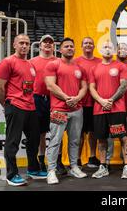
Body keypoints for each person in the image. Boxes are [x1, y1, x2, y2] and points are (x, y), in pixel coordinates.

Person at [0, 34, 47, 186]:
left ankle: (33, 169)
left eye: (27, 43)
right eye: (21, 43)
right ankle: (11, 175)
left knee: (34, 140)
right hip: (15, 106)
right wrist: (7, 104)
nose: (24, 46)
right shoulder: (7, 62)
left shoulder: (29, 64)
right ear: (14, 45)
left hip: (30, 107)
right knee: (13, 142)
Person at [44, 37, 88, 184]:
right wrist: (66, 97)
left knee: (75, 140)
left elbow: (84, 87)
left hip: (77, 110)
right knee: (55, 141)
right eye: (66, 46)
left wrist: (76, 99)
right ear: (60, 49)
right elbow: (50, 85)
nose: (70, 48)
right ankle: (51, 170)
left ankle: (74, 166)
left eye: (72, 46)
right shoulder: (53, 64)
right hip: (58, 110)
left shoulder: (79, 68)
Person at [89, 41, 127, 179]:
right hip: (99, 109)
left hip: (117, 109)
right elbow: (91, 88)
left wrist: (111, 100)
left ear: (114, 50)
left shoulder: (121, 66)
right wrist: (102, 101)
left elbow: (124, 86)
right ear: (100, 50)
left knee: (123, 137)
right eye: (105, 46)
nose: (107, 49)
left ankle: (126, 166)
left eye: (110, 47)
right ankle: (103, 166)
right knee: (101, 138)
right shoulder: (94, 68)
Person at [30, 35, 66, 175]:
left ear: (54, 46)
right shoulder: (32, 62)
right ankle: (41, 160)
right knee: (40, 133)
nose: (47, 44)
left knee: (58, 131)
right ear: (40, 45)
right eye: (45, 42)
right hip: (37, 99)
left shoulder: (59, 61)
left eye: (50, 42)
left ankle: (57, 161)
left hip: (55, 99)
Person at [106, 43, 127, 167]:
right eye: (120, 48)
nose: (122, 50)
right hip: (112, 108)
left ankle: (126, 163)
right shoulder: (110, 65)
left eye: (125, 48)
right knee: (109, 136)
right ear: (116, 51)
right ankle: (106, 162)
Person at [76, 37, 102, 168]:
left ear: (94, 46)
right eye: (85, 43)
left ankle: (92, 157)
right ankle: (77, 159)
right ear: (81, 46)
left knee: (93, 132)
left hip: (95, 103)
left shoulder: (100, 62)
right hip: (79, 103)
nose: (88, 45)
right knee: (78, 133)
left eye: (90, 43)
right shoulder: (75, 62)